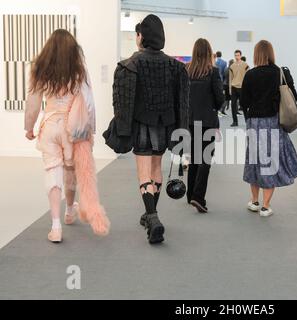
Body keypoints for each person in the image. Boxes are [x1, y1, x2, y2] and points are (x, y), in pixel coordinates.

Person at [111, 14, 189, 245]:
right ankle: (150, 213)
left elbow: (122, 103)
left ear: (141, 37)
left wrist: (121, 131)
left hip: (142, 126)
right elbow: (183, 104)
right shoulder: (176, 67)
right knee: (156, 169)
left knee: (144, 172)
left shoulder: (130, 65)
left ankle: (153, 218)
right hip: (165, 127)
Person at [24, 29, 101, 243]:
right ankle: (69, 211)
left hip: (49, 126)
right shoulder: (79, 70)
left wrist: (28, 127)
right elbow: (89, 102)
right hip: (71, 128)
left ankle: (55, 226)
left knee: (52, 171)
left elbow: (32, 102)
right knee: (70, 170)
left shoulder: (40, 68)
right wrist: (90, 130)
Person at [241, 40, 297, 217]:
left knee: (254, 161)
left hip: (254, 123)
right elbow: (293, 96)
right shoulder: (279, 73)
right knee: (270, 163)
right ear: (271, 53)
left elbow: (243, 101)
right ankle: (266, 206)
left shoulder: (250, 74)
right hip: (273, 122)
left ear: (256, 54)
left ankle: (254, 201)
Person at [186, 39, 225, 213]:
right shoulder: (213, 72)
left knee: (194, 157)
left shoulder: (186, 70)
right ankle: (198, 196)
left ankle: (190, 194)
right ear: (209, 52)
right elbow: (220, 99)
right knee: (205, 159)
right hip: (208, 120)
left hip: (190, 120)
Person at [229, 50, 249, 127]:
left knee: (244, 105)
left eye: (238, 55)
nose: (237, 57)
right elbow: (230, 78)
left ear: (240, 56)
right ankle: (235, 122)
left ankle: (247, 121)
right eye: (235, 55)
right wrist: (230, 89)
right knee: (233, 105)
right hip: (234, 87)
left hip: (242, 87)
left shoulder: (245, 65)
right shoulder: (232, 66)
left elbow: (248, 77)